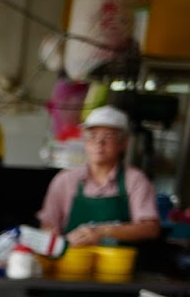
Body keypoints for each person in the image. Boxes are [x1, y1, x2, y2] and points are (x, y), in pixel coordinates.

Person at [38, 105, 161, 248]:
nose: (99, 143)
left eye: (108, 136)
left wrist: (104, 231)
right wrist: (51, 236)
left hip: (118, 265)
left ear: (124, 143)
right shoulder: (65, 180)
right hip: (73, 262)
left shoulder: (135, 180)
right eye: (92, 135)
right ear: (84, 140)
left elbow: (150, 228)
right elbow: (48, 224)